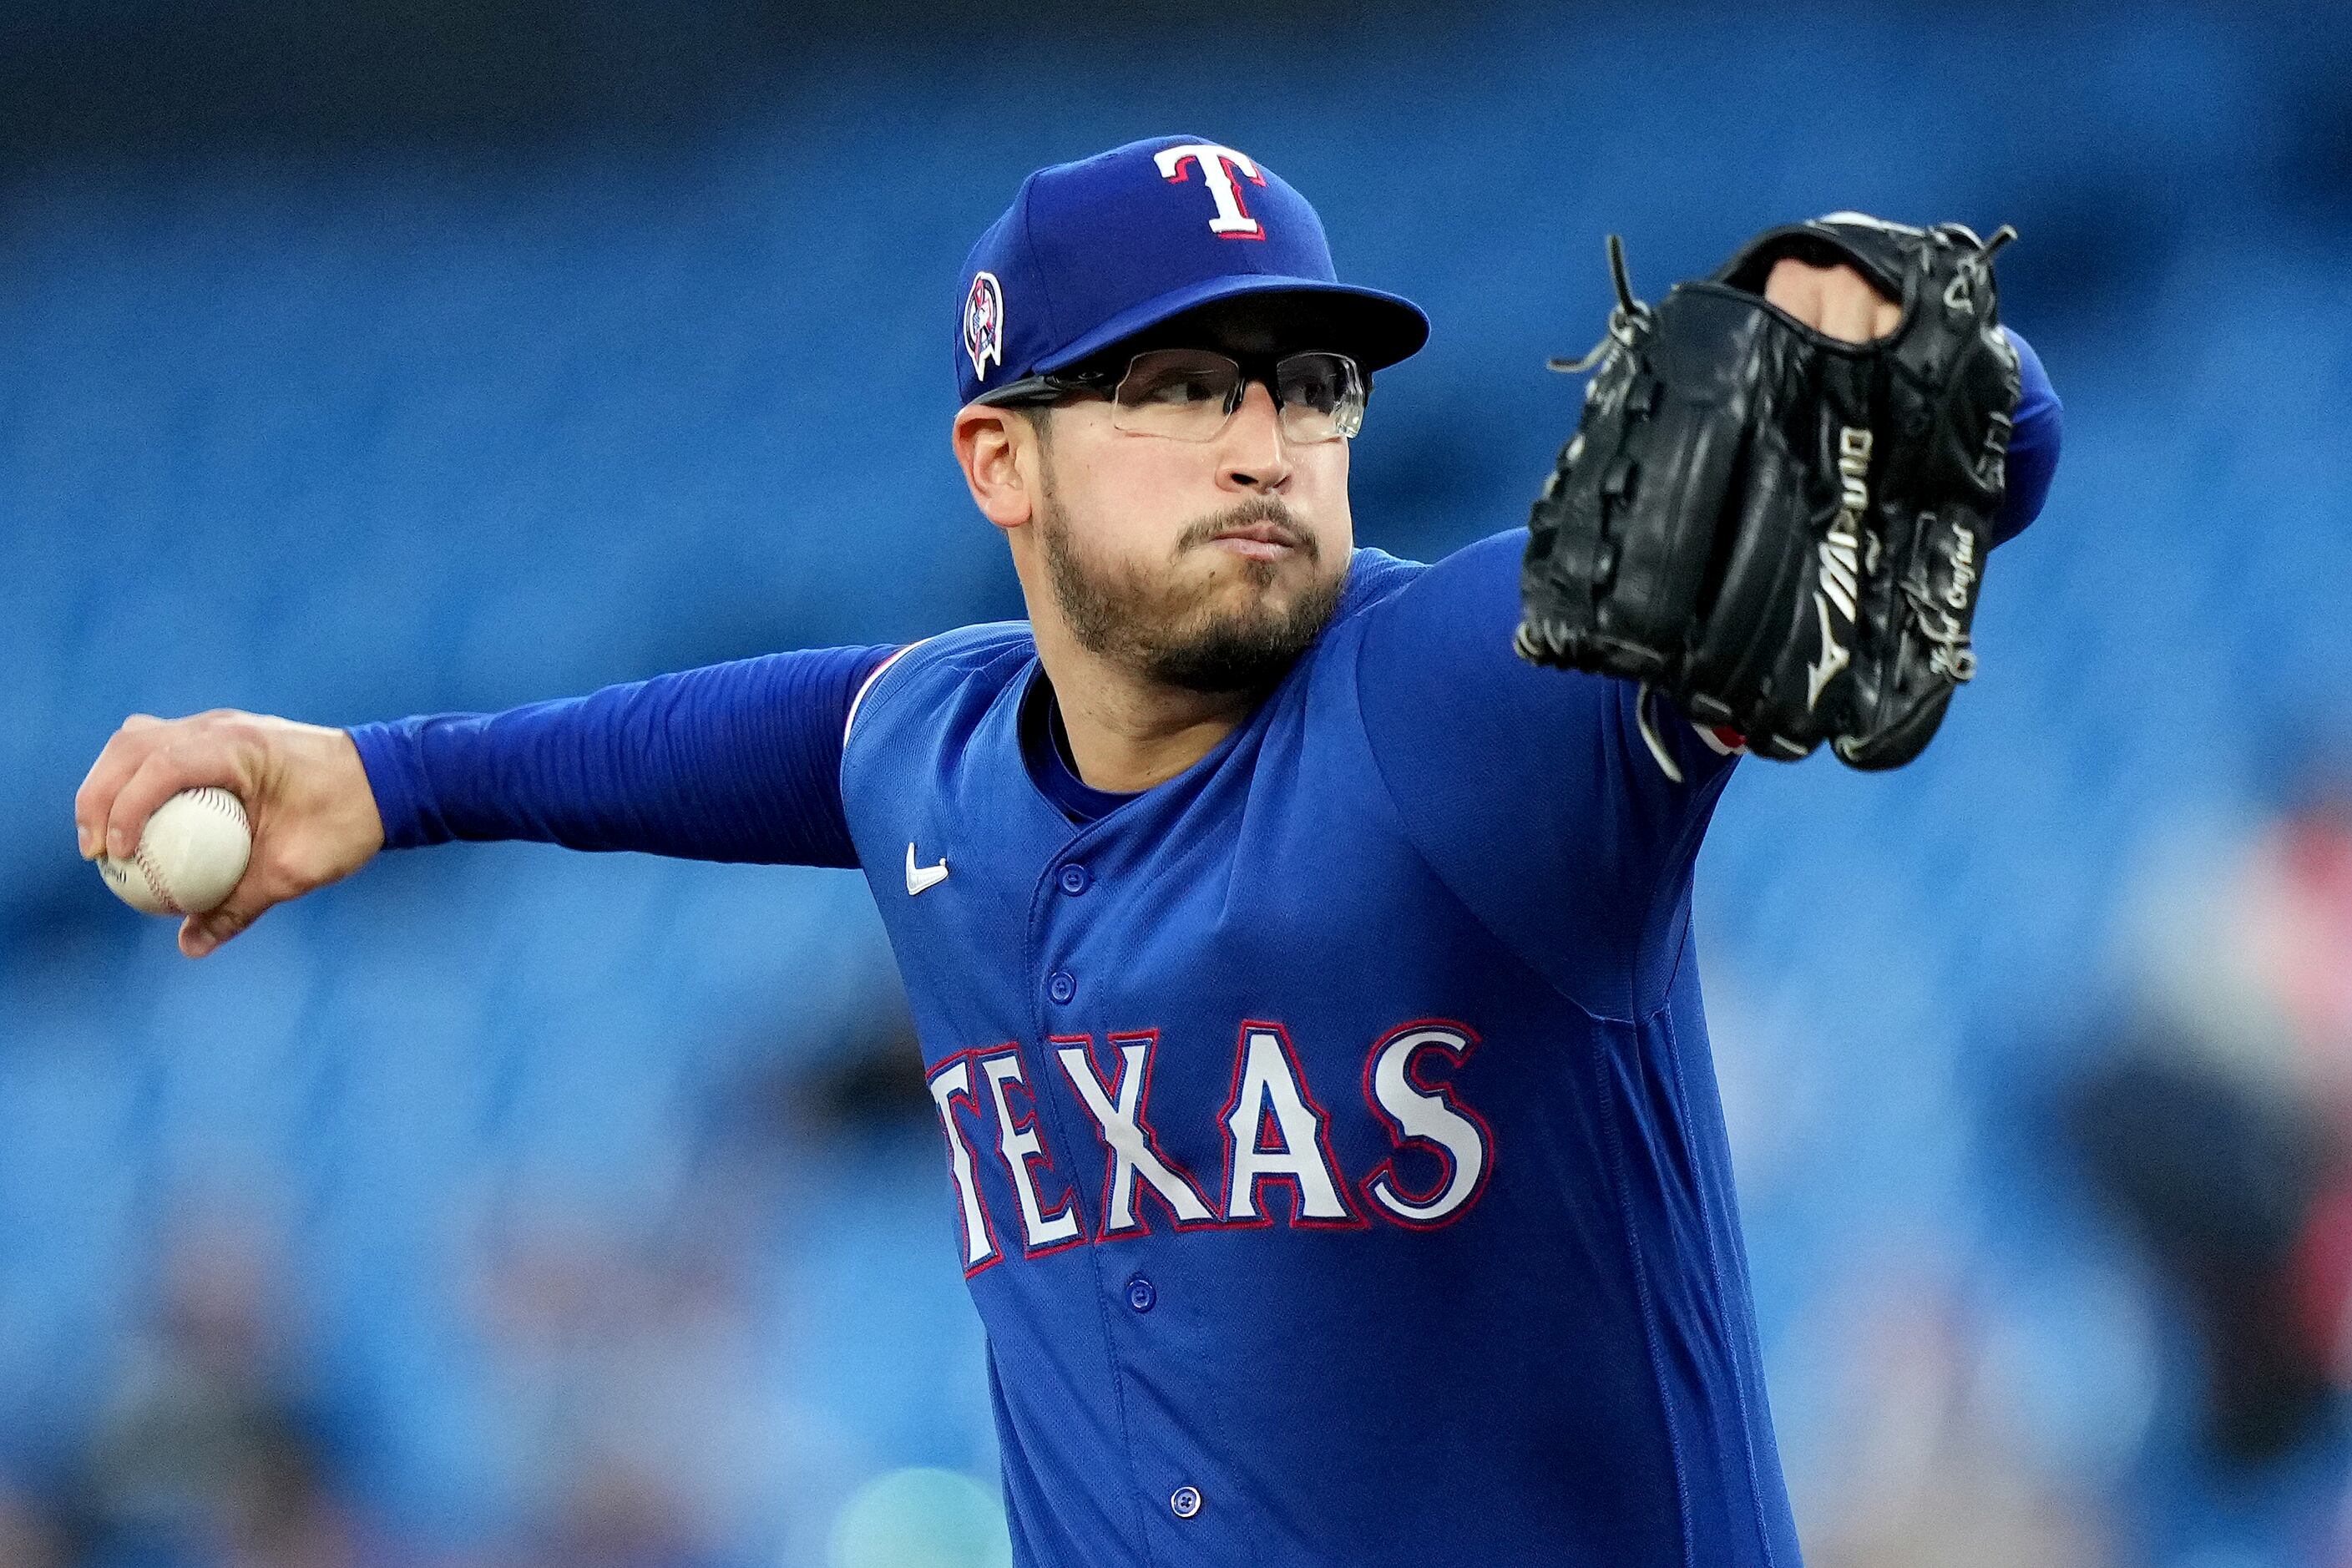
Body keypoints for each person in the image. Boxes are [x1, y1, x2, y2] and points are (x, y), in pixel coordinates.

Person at [74, 134, 2062, 1565]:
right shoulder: (931, 748)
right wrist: (385, 776)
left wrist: (1866, 327)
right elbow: (732, 742)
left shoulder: (1475, 700)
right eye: (1178, 387)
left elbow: (1966, 440)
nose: (1263, 440)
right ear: (994, 459)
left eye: (1306, 386)